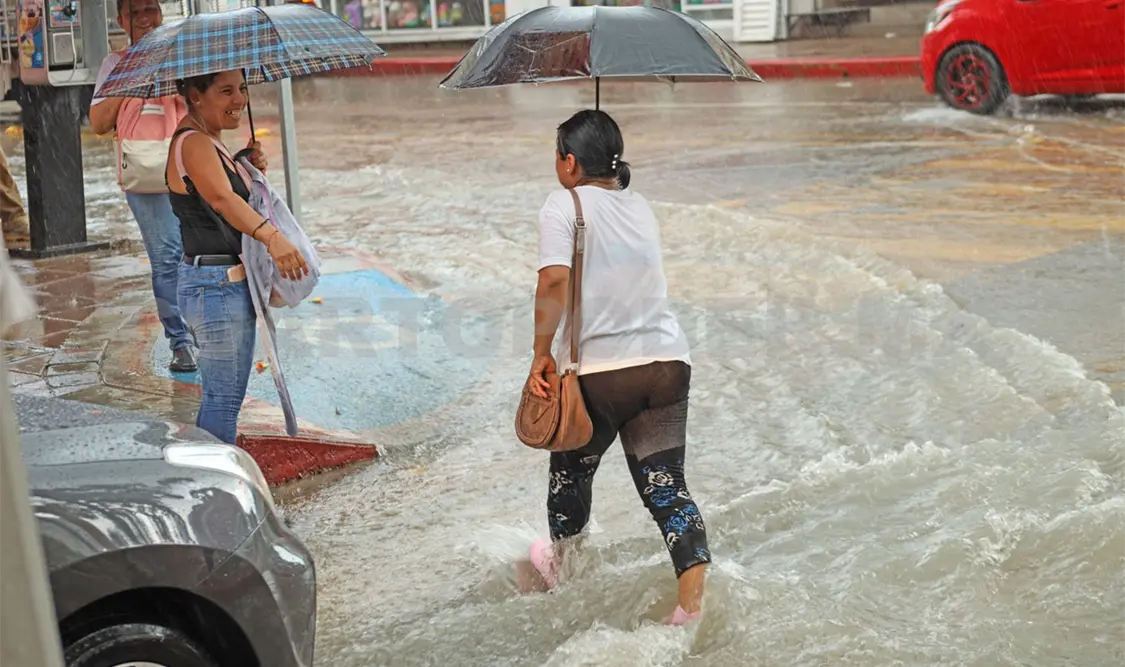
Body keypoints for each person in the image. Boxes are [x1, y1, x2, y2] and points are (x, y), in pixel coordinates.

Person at [526, 109, 711, 626]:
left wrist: (541, 352)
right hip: (667, 364)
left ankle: (564, 572)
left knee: (570, 476)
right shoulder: (641, 206)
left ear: (569, 162)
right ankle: (691, 606)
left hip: (603, 374)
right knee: (666, 488)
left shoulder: (562, 205)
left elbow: (553, 282)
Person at [90, 0, 268, 373]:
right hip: (146, 176)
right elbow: (100, 123)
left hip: (195, 168)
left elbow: (214, 115)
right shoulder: (115, 64)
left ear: (161, 12)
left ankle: (207, 327)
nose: (144, 18)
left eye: (150, 9)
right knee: (167, 257)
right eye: (135, 12)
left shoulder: (188, 57)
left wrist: (242, 158)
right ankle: (181, 340)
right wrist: (135, 73)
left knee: (202, 251)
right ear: (120, 20)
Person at [166, 69, 307, 445]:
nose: (240, 100)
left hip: (218, 283)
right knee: (224, 402)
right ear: (195, 95)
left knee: (222, 399)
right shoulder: (194, 142)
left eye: (242, 89)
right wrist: (272, 238)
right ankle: (213, 477)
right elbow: (221, 199)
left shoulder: (210, 142)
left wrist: (245, 164)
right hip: (214, 287)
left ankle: (206, 470)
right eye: (226, 91)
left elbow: (220, 191)